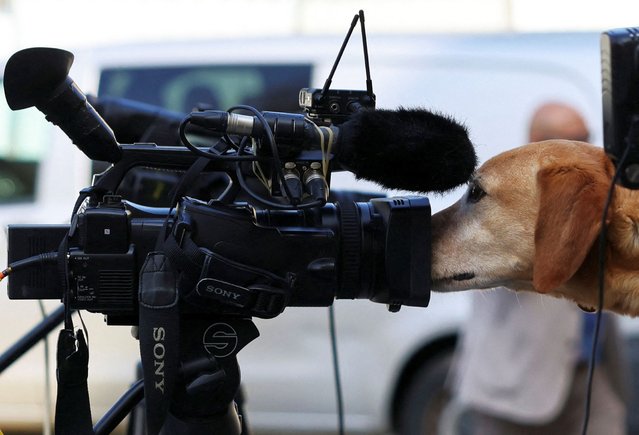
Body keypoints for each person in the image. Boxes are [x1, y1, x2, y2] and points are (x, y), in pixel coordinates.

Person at [442, 102, 629, 435]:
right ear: (536, 140)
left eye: (585, 137)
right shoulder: (510, 193)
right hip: (515, 385)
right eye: (569, 138)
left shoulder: (595, 195)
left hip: (590, 375)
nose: (580, 147)